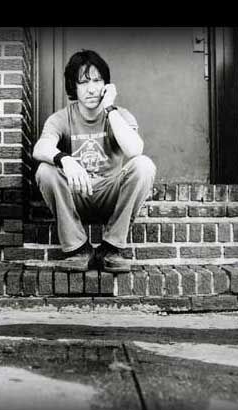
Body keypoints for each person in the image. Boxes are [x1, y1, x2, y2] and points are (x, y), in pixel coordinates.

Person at [33, 49, 156, 272]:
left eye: (97, 81)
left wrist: (109, 108)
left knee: (144, 165)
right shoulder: (61, 118)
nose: (91, 88)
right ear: (74, 87)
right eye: (83, 82)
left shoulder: (120, 115)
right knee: (45, 170)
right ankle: (78, 249)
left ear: (107, 86)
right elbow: (40, 148)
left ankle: (110, 248)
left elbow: (135, 149)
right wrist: (65, 160)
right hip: (77, 194)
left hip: (111, 196)